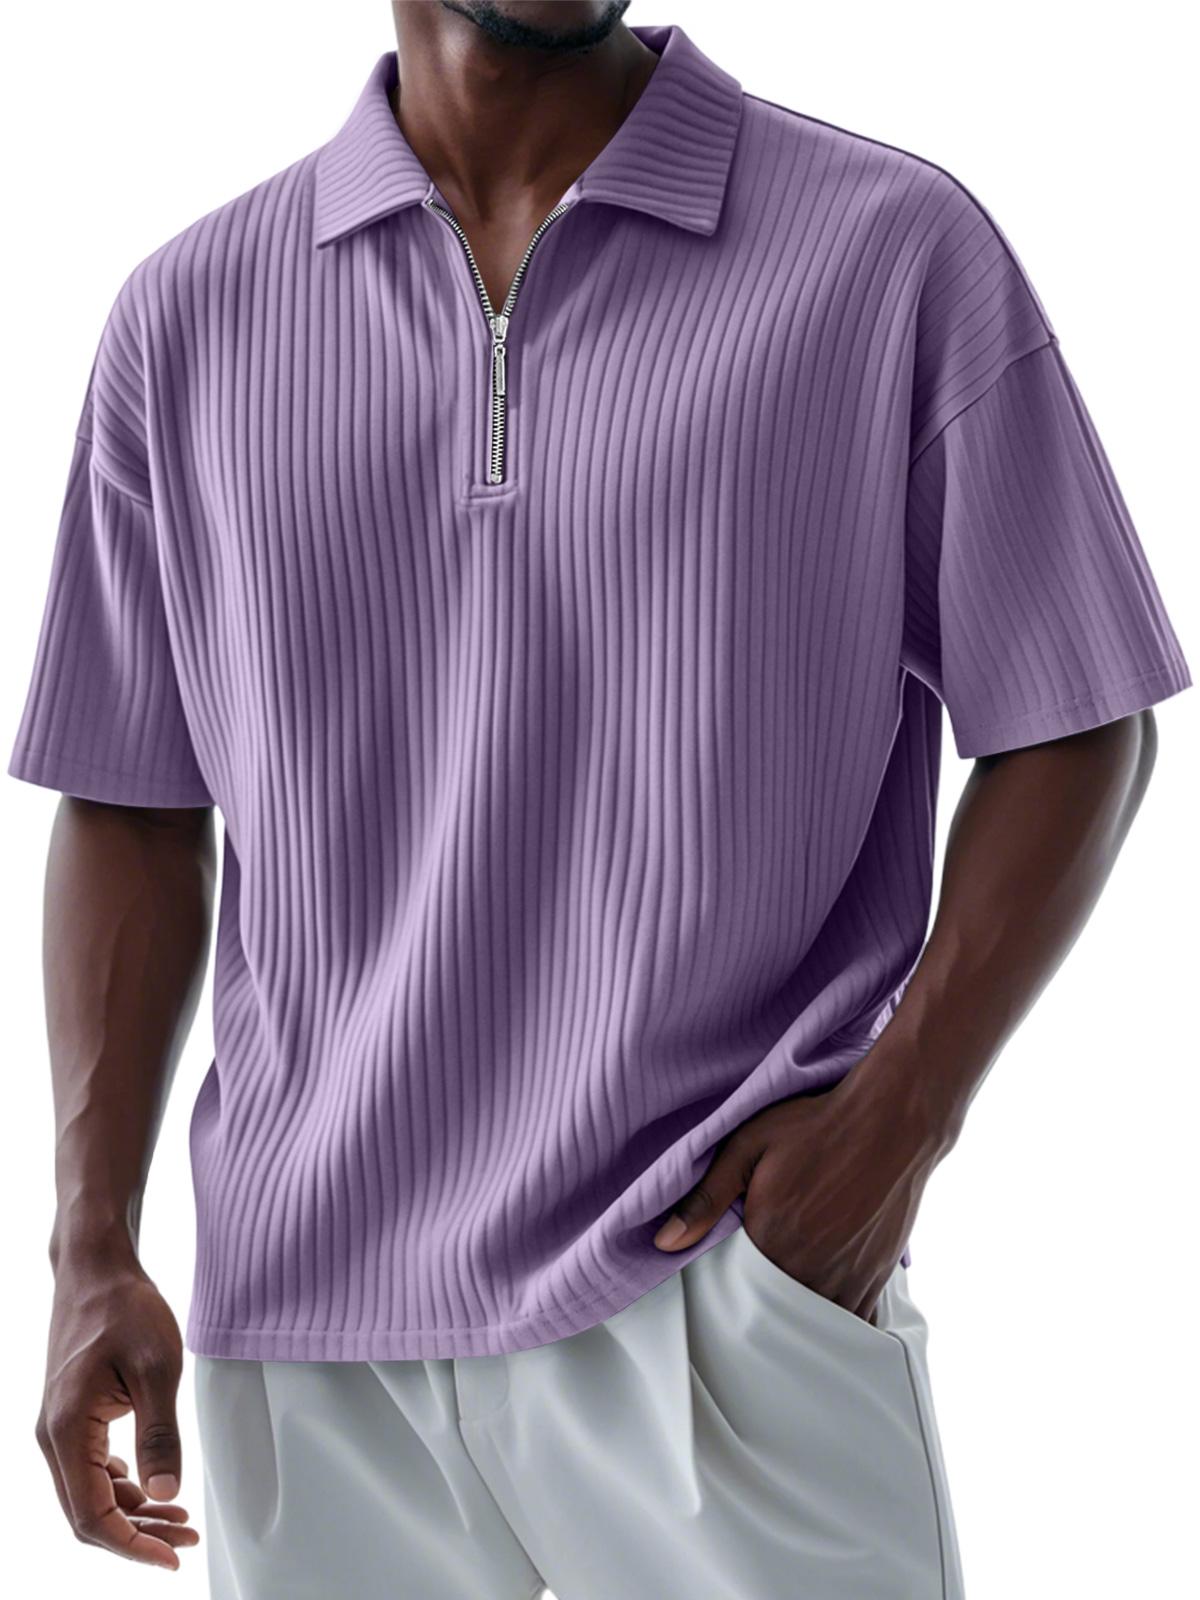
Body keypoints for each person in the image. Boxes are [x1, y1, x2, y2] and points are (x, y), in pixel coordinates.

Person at [10, 3, 1191, 1595]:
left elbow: (1076, 714)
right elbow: (132, 803)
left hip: (718, 1280)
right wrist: (90, 1239)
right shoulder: (188, 317)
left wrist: (901, 1120)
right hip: (304, 1330)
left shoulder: (889, 252)